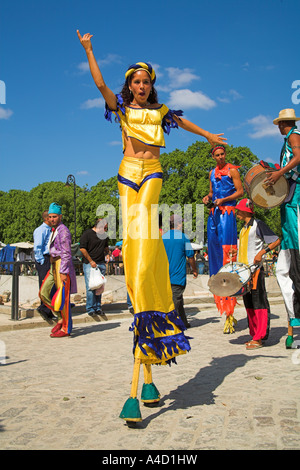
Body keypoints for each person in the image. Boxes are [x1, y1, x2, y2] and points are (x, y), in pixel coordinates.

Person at [77, 30, 227, 423]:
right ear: (130, 86)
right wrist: (90, 50)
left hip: (153, 175)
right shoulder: (122, 110)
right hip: (127, 174)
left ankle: (144, 372)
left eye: (147, 82)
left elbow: (183, 120)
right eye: (136, 82)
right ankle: (146, 376)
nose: (141, 87)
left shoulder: (161, 113)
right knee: (137, 253)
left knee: (145, 253)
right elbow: (99, 84)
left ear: (152, 87)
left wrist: (208, 134)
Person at [265, 108, 300, 349]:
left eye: (280, 124)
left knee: (294, 263)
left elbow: (298, 159)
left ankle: (295, 326)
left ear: (284, 124)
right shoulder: (289, 139)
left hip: (295, 197)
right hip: (289, 199)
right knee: (284, 270)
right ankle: (294, 322)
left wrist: (279, 173)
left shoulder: (294, 136)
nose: (279, 127)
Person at [202, 144, 243, 333]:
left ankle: (231, 310)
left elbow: (240, 192)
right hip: (214, 214)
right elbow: (212, 193)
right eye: (216, 155)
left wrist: (224, 200)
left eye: (222, 154)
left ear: (225, 154)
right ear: (213, 157)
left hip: (227, 213)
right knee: (215, 254)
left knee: (228, 255)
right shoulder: (212, 173)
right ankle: (222, 304)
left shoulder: (233, 170)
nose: (220, 157)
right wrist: (207, 197)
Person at [232, 198, 280, 349]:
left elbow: (276, 240)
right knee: (249, 305)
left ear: (245, 211)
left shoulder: (258, 224)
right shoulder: (243, 229)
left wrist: (263, 252)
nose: (236, 213)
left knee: (259, 304)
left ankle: (260, 337)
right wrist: (237, 251)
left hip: (255, 271)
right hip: (243, 274)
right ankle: (254, 334)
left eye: (238, 210)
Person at [39, 203, 77, 337]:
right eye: (50, 217)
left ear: (60, 216)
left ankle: (66, 328)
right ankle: (60, 317)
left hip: (61, 264)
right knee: (43, 293)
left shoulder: (63, 231)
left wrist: (63, 271)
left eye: (54, 216)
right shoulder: (54, 230)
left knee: (64, 298)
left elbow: (66, 252)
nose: (52, 219)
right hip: (53, 264)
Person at [162, 214, 198, 328]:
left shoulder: (163, 237)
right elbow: (190, 257)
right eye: (181, 222)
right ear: (178, 224)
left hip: (164, 276)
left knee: (177, 299)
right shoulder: (183, 237)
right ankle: (173, 326)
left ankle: (183, 321)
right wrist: (195, 270)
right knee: (175, 302)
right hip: (178, 276)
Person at [79, 218, 109, 316]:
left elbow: (105, 246)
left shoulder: (104, 236)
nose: (105, 230)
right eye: (104, 228)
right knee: (91, 286)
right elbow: (82, 248)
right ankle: (90, 308)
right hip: (89, 264)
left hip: (100, 263)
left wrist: (107, 253)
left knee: (99, 286)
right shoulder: (87, 234)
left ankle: (97, 306)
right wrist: (90, 260)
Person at [33, 210, 56, 322]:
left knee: (51, 285)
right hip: (44, 259)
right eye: (52, 217)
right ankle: (44, 308)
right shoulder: (41, 230)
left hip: (50, 258)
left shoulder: (50, 230)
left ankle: (48, 309)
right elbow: (37, 246)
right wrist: (41, 261)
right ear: (47, 218)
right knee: (44, 285)